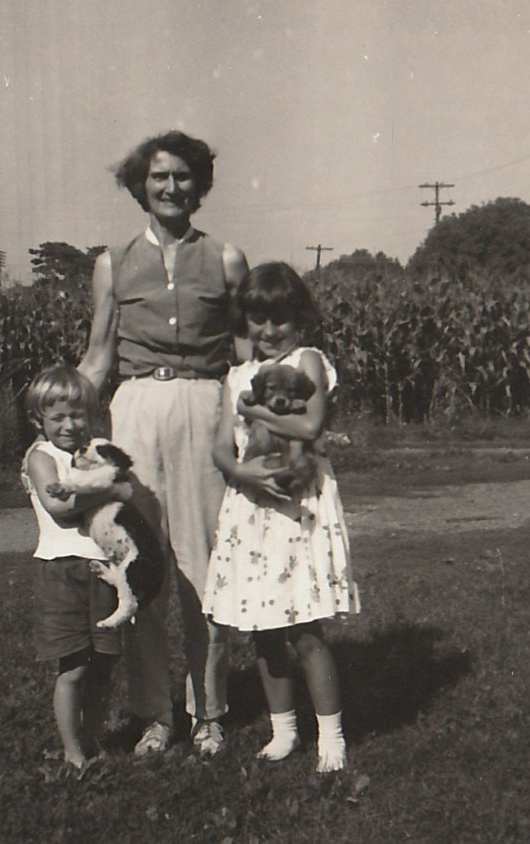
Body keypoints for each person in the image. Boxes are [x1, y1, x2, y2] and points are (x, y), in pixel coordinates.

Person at [78, 130, 249, 758]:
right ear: (140, 187)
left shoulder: (227, 259)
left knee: (205, 568)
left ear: (198, 184)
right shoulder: (113, 263)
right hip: (137, 412)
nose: (170, 187)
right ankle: (156, 714)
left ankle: (210, 712)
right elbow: (99, 357)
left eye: (182, 176)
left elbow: (247, 358)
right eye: (158, 178)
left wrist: (261, 433)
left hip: (207, 409)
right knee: (142, 566)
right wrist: (60, 417)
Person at [203, 262, 360, 773]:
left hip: (298, 510)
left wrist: (258, 412)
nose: (269, 332)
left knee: (306, 629)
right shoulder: (235, 377)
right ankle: (283, 729)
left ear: (300, 320)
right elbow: (222, 450)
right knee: (262, 628)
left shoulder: (308, 361)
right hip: (252, 509)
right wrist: (243, 474)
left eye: (281, 320)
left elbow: (311, 422)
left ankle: (331, 735)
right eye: (258, 320)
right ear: (244, 321)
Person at [21, 364, 131, 771]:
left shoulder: (93, 453)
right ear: (40, 420)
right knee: (73, 665)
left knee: (104, 661)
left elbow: (123, 486)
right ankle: (73, 750)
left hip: (103, 568)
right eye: (58, 417)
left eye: (78, 415)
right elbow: (61, 510)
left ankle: (92, 736)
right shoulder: (41, 457)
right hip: (61, 569)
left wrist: (113, 485)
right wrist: (108, 487)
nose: (69, 425)